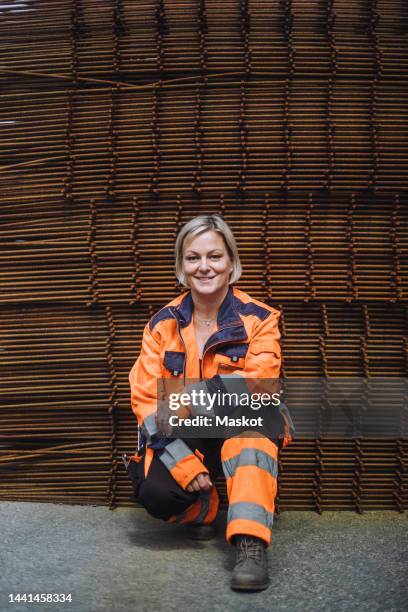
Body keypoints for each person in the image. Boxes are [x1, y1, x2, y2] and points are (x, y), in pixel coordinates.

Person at [125, 214, 294, 591]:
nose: (204, 267)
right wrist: (182, 462)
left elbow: (259, 386)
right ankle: (205, 505)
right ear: (181, 267)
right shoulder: (161, 325)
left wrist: (182, 402)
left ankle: (251, 543)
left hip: (244, 421)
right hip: (188, 428)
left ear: (232, 263)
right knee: (156, 491)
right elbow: (147, 399)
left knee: (251, 434)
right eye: (193, 258)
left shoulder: (260, 319)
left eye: (215, 256)